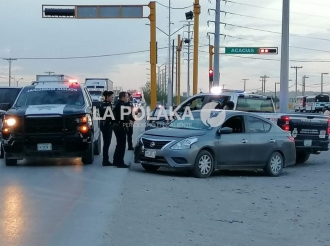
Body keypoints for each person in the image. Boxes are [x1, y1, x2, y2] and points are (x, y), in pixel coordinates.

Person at [112, 91, 130, 168]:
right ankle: (120, 162)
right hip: (120, 127)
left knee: (119, 144)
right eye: (126, 97)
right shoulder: (121, 105)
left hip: (118, 127)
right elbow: (125, 117)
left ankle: (116, 160)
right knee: (122, 145)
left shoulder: (119, 104)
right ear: (122, 97)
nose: (128, 98)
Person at [99, 91, 115, 166]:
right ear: (107, 97)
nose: (112, 98)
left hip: (106, 125)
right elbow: (109, 117)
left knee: (107, 143)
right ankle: (105, 160)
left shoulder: (107, 104)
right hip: (106, 125)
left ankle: (105, 160)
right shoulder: (105, 106)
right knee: (106, 143)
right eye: (111, 97)